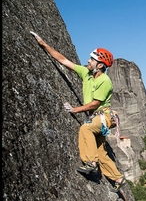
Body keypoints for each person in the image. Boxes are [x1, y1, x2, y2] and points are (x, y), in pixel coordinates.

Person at [30, 31, 127, 192]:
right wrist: (43, 44)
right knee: (101, 151)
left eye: (92, 59)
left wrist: (75, 110)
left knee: (86, 128)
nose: (88, 61)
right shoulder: (86, 74)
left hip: (103, 117)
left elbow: (95, 104)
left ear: (100, 65)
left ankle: (90, 163)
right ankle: (118, 178)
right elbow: (63, 60)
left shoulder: (105, 81)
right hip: (98, 118)